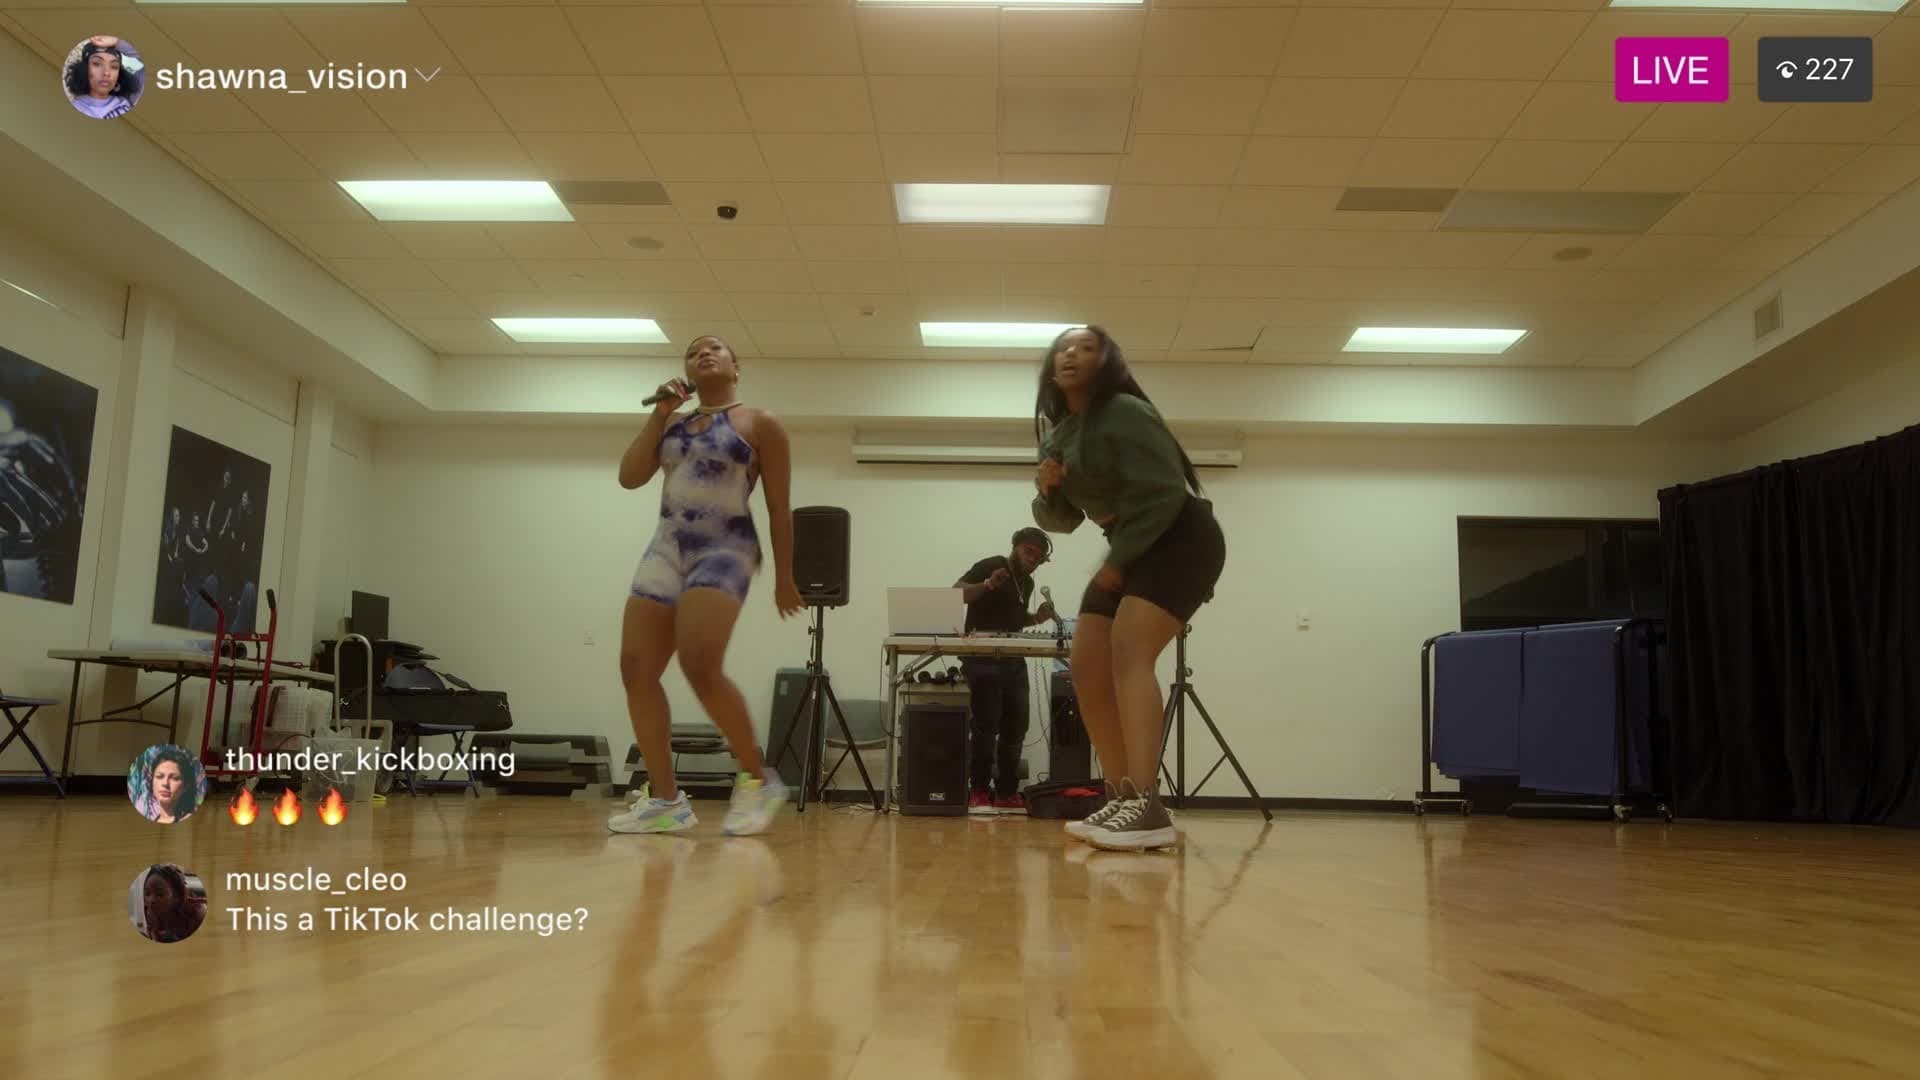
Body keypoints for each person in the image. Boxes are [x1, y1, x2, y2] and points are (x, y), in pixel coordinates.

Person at [1030, 326, 1226, 852]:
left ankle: (1148, 805)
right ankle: (1121, 797)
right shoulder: (1058, 435)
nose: (1072, 354)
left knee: (1129, 652)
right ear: (1052, 366)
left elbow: (1164, 494)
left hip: (1179, 537)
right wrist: (1049, 490)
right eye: (1064, 348)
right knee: (1086, 663)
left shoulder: (1124, 411)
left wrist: (1117, 563)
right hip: (1130, 544)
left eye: (1087, 348)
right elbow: (1062, 521)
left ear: (1107, 363)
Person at [608, 336, 802, 836]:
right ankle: (667, 801)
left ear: (736, 367)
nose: (704, 354)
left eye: (715, 348)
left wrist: (786, 577)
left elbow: (779, 507)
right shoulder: (671, 422)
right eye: (694, 352)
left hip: (725, 548)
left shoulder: (760, 422)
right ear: (686, 372)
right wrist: (659, 415)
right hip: (667, 546)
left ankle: (758, 781)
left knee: (699, 662)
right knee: (635, 668)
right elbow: (629, 477)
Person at [953, 527, 1057, 815]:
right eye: (1029, 552)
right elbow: (956, 594)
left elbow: (1013, 620)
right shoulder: (992, 565)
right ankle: (979, 791)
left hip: (1012, 659)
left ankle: (1007, 792)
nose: (1033, 559)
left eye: (1039, 557)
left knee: (1016, 726)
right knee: (986, 726)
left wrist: (1036, 618)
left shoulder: (1028, 583)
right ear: (1015, 547)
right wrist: (987, 584)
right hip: (982, 658)